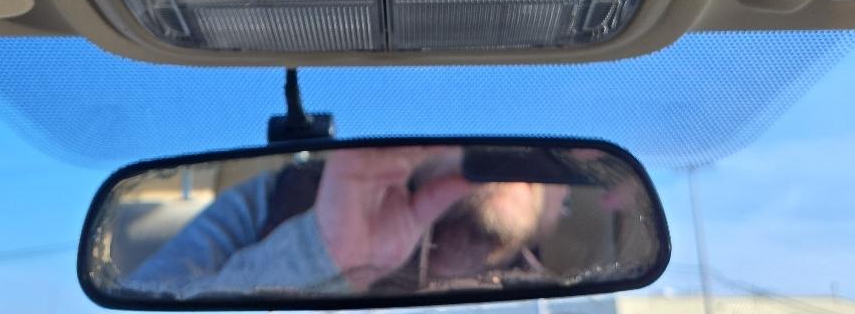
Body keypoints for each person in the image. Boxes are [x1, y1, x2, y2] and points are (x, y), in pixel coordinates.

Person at [123, 146, 566, 299]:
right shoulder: (285, 195)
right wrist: (317, 253)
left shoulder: (568, 296)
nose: (517, 159)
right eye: (485, 138)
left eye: (547, 156)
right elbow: (140, 299)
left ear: (566, 199)